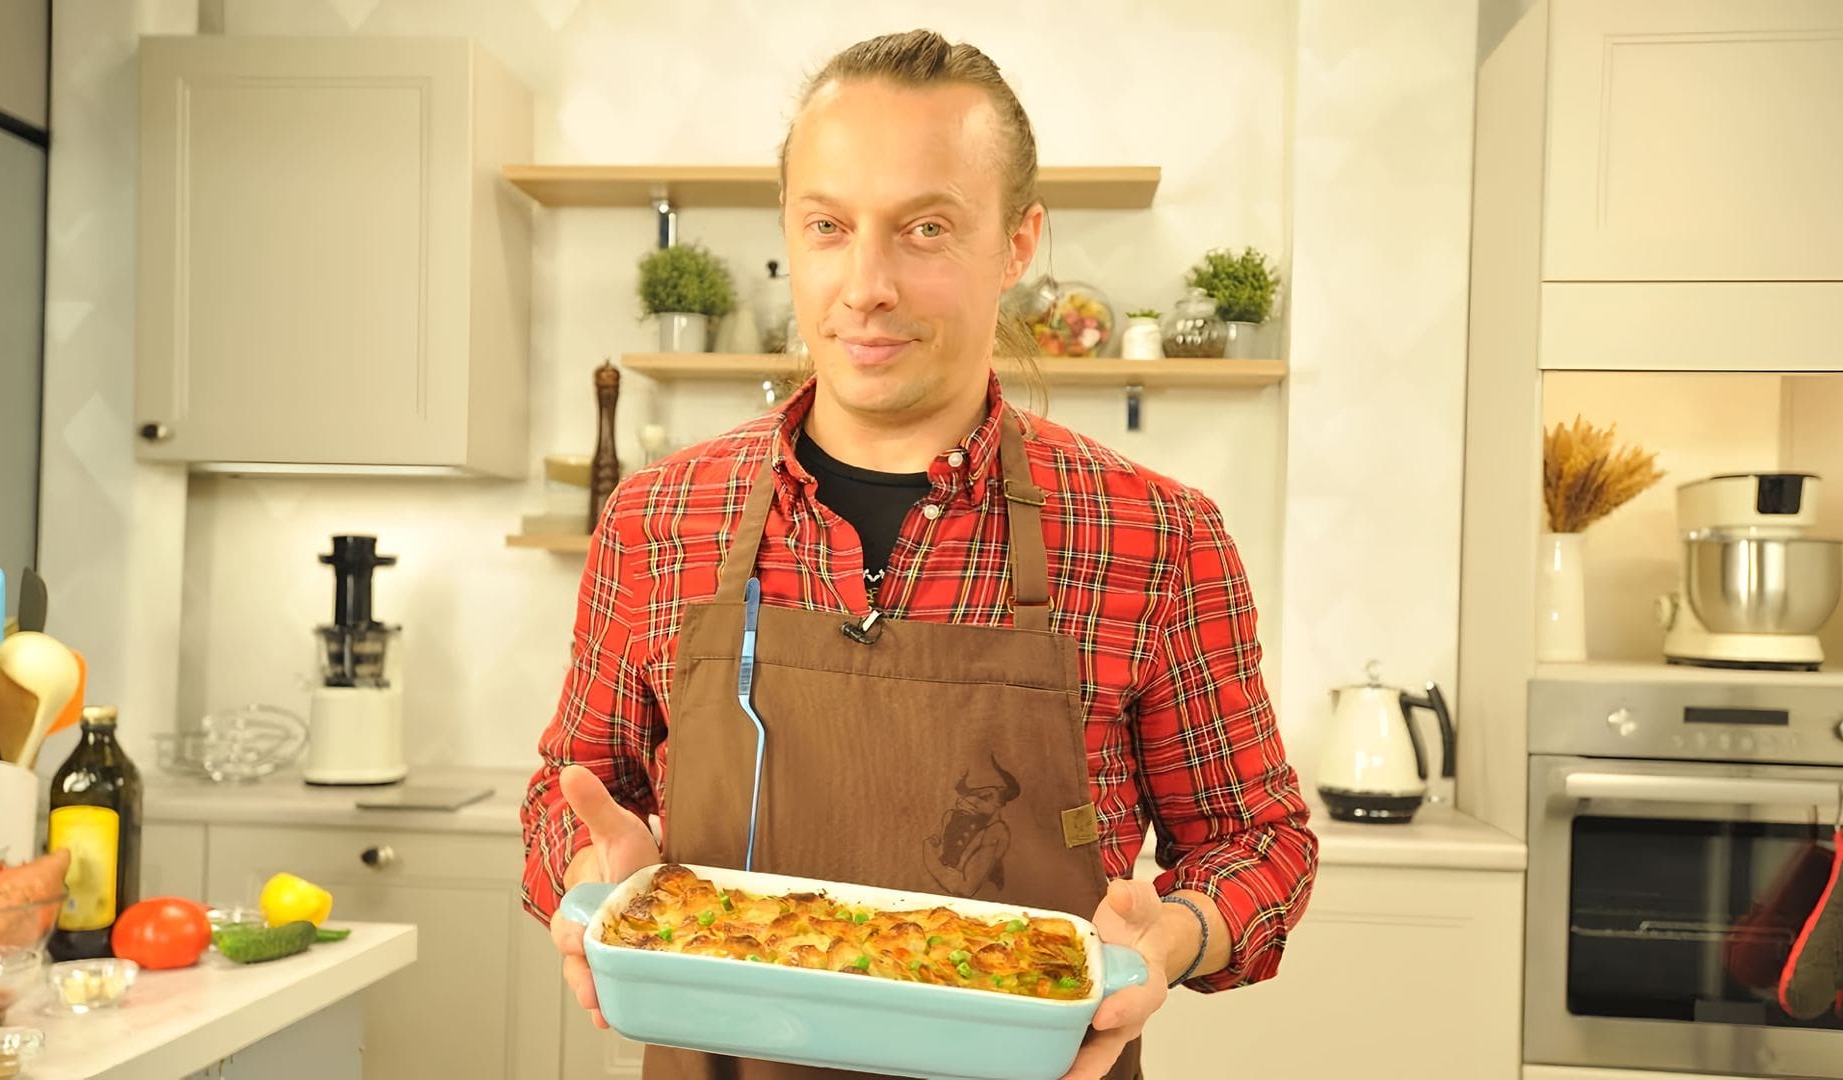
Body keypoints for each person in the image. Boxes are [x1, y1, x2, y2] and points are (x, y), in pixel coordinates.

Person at [521, 28, 1317, 1080]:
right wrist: (595, 874)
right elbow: (570, 790)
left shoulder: (1156, 535)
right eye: (828, 226)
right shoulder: (659, 519)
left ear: (1018, 244)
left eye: (926, 228)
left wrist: (1171, 936)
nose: (866, 285)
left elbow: (1258, 841)